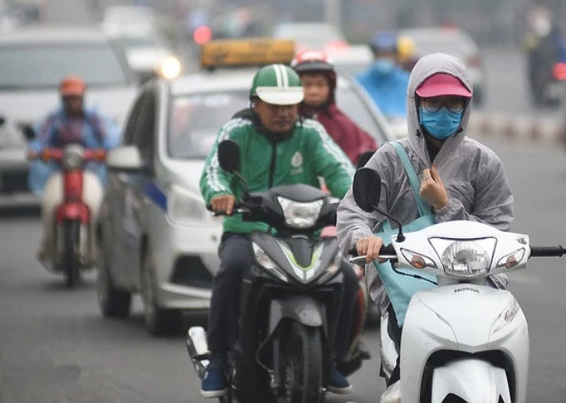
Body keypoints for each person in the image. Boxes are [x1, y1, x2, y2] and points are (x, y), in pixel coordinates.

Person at [336, 53, 513, 387]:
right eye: (433, 104)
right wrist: (363, 238)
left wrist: (445, 205)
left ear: (467, 106)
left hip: (473, 287)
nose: (444, 112)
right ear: (415, 104)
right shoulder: (389, 159)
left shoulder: (484, 164)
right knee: (403, 381)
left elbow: (498, 232)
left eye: (453, 104)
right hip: (406, 291)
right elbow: (353, 212)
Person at [199, 64, 359, 398]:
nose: (284, 113)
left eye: (289, 105)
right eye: (275, 105)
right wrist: (220, 195)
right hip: (247, 230)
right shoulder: (236, 130)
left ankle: (331, 358)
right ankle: (217, 356)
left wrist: (356, 197)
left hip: (303, 233)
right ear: (255, 103)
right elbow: (215, 171)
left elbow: (340, 168)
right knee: (233, 268)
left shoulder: (311, 132)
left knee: (345, 275)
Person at [29, 76, 118, 265]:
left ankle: (98, 250)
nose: (72, 102)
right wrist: (37, 151)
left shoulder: (94, 119)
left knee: (96, 206)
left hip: (89, 171)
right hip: (60, 172)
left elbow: (109, 140)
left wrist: (106, 152)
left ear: (82, 98)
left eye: (75, 98)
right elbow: (39, 140)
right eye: (68, 98)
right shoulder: (53, 120)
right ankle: (49, 246)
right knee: (49, 204)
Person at [291, 49, 377, 165]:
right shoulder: (284, 122)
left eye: (320, 85)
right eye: (307, 84)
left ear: (330, 87)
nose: (314, 91)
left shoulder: (343, 125)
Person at [356, 31, 410, 119]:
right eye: (380, 54)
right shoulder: (359, 82)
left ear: (395, 56)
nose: (384, 58)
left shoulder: (407, 82)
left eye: (388, 54)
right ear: (374, 55)